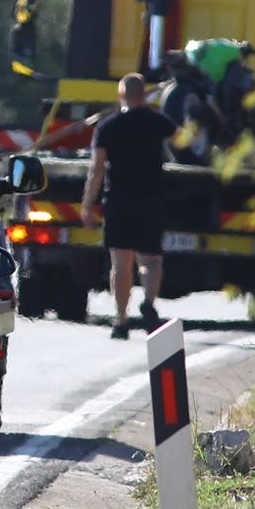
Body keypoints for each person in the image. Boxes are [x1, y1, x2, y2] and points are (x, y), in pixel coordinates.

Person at [81, 72, 177, 340]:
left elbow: (97, 169)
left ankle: (121, 320)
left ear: (121, 95)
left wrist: (87, 204)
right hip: (151, 199)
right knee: (152, 259)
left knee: (121, 263)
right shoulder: (157, 121)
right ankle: (149, 302)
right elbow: (183, 139)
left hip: (118, 201)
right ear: (144, 95)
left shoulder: (108, 126)